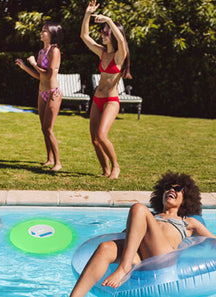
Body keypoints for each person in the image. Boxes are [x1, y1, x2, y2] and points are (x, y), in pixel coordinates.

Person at [70, 171, 215, 297]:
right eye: (167, 188)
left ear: (186, 198)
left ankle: (124, 267)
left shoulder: (189, 221)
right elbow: (125, 237)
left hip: (164, 257)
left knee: (138, 207)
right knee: (105, 247)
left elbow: (213, 242)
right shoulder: (150, 216)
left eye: (177, 189)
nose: (171, 190)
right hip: (142, 255)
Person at [80, 0, 132, 179]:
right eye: (102, 32)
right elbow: (84, 36)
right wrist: (87, 14)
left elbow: (122, 41)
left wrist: (109, 20)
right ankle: (105, 170)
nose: (102, 34)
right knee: (94, 139)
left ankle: (116, 167)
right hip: (97, 99)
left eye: (106, 32)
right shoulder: (102, 53)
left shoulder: (120, 55)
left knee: (102, 136)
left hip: (111, 101)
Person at [15, 21, 63, 171]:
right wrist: (25, 67)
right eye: (42, 30)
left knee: (48, 129)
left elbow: (48, 74)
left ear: (52, 34)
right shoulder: (42, 52)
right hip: (41, 92)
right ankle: (49, 159)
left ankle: (58, 163)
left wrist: (34, 63)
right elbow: (38, 76)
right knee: (43, 128)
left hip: (53, 93)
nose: (42, 33)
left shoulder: (54, 51)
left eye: (45, 31)